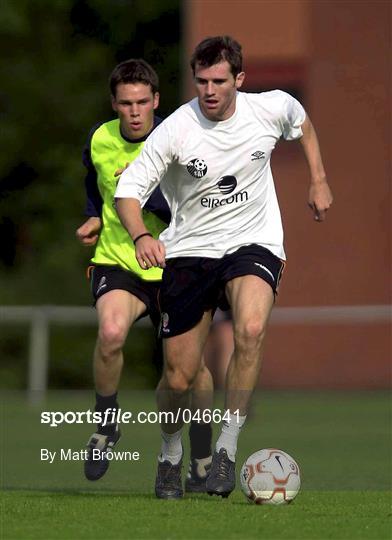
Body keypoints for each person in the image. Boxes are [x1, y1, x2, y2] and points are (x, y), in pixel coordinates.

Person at [115, 36, 333, 499]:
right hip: (190, 251)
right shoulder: (175, 129)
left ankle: (227, 450)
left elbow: (304, 125)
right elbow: (127, 193)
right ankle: (170, 452)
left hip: (254, 242)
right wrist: (141, 236)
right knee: (179, 376)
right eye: (201, 81)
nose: (209, 90)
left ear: (240, 79)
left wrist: (318, 179)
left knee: (250, 329)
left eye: (219, 81)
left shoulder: (271, 108)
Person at [76, 58, 213, 490]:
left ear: (157, 101)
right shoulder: (100, 139)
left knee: (192, 372)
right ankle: (107, 425)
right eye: (125, 103)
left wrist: (140, 192)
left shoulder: (181, 141)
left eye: (142, 102)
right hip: (118, 262)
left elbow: (201, 201)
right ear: (114, 105)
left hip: (177, 265)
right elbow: (92, 183)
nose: (134, 111)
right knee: (111, 332)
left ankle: (204, 450)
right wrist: (94, 216)